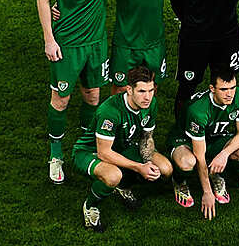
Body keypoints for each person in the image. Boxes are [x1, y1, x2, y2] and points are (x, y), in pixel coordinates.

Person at [37, 0, 115, 185]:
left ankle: (85, 147)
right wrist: (49, 38)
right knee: (61, 99)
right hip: (67, 44)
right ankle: (55, 155)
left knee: (93, 96)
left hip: (96, 42)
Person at [72, 65, 173, 232]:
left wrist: (148, 163)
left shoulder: (150, 104)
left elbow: (147, 138)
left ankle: (123, 187)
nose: (147, 97)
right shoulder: (110, 111)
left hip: (121, 147)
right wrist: (140, 167)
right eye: (141, 91)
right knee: (113, 176)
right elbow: (104, 152)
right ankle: (90, 206)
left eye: (150, 90)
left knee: (165, 168)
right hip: (90, 152)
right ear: (129, 90)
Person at [167, 67, 239, 220]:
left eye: (232, 87)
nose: (230, 94)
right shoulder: (199, 111)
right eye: (224, 89)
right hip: (186, 140)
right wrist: (207, 192)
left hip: (215, 137)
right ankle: (179, 180)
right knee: (188, 162)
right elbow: (199, 154)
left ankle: (215, 172)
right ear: (212, 89)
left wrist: (224, 154)